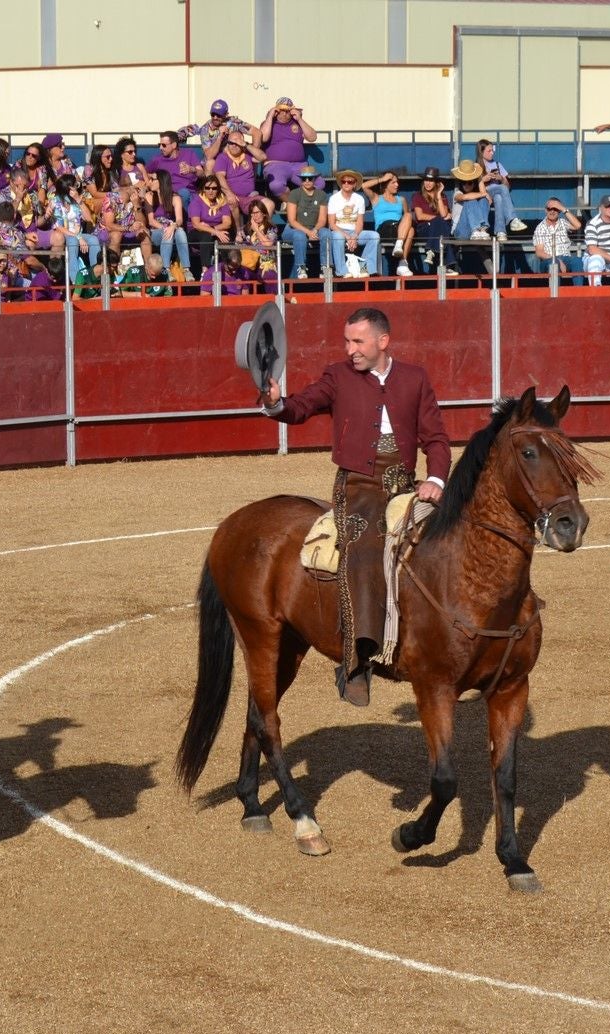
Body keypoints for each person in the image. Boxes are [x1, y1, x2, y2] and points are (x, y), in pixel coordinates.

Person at [257, 307, 450, 706]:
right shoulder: (338, 376)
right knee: (363, 549)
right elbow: (302, 406)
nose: (350, 350)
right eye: (347, 341)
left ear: (383, 341)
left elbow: (436, 438)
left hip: (404, 484)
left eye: (358, 341)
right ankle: (358, 659)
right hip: (358, 486)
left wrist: (435, 479)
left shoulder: (414, 378)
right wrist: (277, 403)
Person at [258, 96, 317, 199]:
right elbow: (263, 137)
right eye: (282, 110)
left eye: (288, 111)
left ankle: (298, 204)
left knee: (319, 184)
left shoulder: (297, 123)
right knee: (276, 185)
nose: (285, 113)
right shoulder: (269, 123)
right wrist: (270, 115)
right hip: (275, 165)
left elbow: (312, 137)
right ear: (276, 111)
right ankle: (292, 204)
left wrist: (300, 119)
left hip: (299, 165)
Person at [325, 169, 378, 278]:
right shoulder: (333, 199)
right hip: (339, 231)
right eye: (344, 181)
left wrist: (354, 236)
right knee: (338, 237)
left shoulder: (359, 199)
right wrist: (347, 236)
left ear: (354, 184)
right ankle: (342, 271)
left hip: (354, 231)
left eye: (350, 182)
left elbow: (359, 222)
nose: (346, 184)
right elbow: (332, 224)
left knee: (374, 236)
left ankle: (364, 267)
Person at [280, 164, 328, 278]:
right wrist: (308, 232)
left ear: (315, 179)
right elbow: (292, 220)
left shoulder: (321, 194)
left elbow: (322, 219)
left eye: (310, 178)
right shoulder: (294, 193)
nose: (307, 181)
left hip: (314, 228)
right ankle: (301, 267)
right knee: (299, 235)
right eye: (303, 178)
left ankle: (325, 267)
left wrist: (315, 230)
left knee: (326, 233)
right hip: (294, 229)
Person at [364, 172, 414, 278]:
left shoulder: (402, 200)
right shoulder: (377, 198)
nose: (397, 185)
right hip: (384, 229)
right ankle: (402, 261)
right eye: (393, 182)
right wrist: (382, 179)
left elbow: (406, 219)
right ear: (386, 185)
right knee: (410, 229)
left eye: (397, 182)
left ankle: (401, 262)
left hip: (398, 229)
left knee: (409, 220)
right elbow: (364, 186)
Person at [530, 197, 581, 281]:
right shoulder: (540, 228)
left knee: (578, 261)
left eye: (555, 209)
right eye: (549, 209)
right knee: (554, 263)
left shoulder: (563, 222)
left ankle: (579, 291)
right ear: (545, 210)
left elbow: (577, 225)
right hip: (548, 260)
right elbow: (539, 253)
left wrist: (563, 208)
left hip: (565, 258)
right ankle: (556, 293)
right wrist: (556, 260)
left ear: (559, 211)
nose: (552, 211)